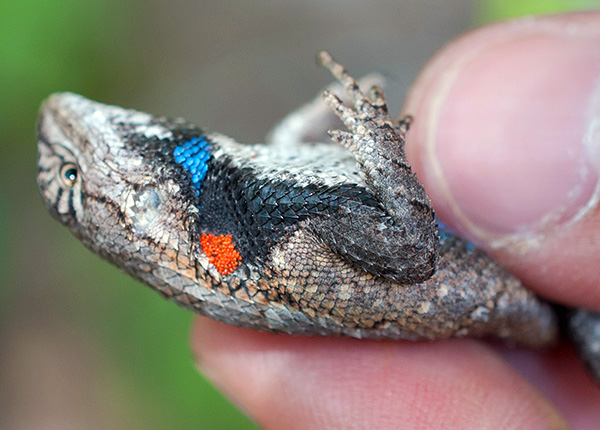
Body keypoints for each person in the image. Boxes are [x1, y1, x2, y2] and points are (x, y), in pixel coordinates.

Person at [191, 11, 600, 429]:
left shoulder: (248, 199)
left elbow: (289, 164)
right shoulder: (268, 232)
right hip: (560, 306)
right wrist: (379, 143)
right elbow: (412, 248)